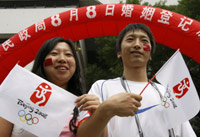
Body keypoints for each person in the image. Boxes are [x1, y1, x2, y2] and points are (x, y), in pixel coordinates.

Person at [76, 23, 197, 137]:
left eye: (144, 41)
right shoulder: (102, 87)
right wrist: (105, 109)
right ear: (119, 52)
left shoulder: (168, 93)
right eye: (130, 39)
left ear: (150, 55)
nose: (138, 45)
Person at [0, 37, 100, 137]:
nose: (62, 59)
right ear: (42, 61)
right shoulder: (16, 95)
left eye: (68, 54)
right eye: (54, 53)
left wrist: (99, 114)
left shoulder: (83, 105)